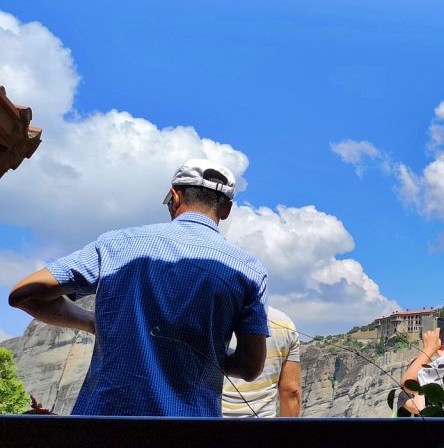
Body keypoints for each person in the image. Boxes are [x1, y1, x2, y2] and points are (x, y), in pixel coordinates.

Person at [8, 159, 268, 433]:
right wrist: (206, 349)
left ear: (175, 196)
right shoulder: (249, 270)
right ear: (226, 210)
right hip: (192, 441)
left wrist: (91, 322)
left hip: (105, 438)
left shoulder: (118, 244)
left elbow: (25, 294)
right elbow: (250, 367)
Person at [222, 306, 301, 448]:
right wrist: (287, 444)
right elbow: (291, 391)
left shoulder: (211, 315)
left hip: (210, 436)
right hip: (262, 438)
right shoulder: (284, 323)